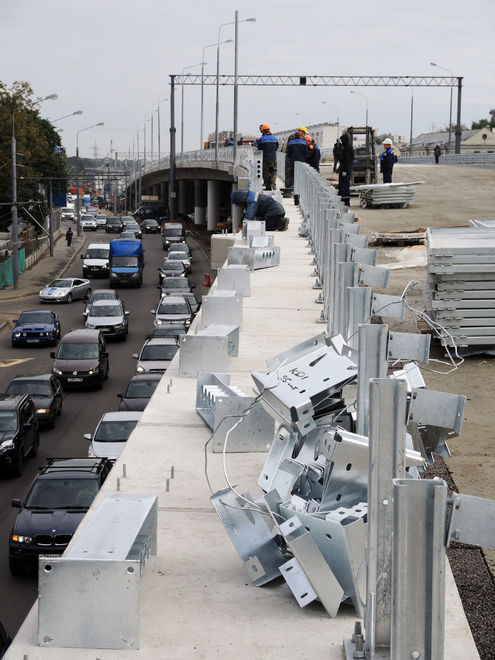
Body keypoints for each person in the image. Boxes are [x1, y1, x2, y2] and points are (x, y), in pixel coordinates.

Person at [256, 124, 279, 190]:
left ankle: (268, 186)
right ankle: (273, 184)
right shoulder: (275, 139)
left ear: (263, 131)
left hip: (264, 158)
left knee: (265, 173)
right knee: (273, 171)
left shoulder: (262, 139)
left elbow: (259, 149)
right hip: (273, 158)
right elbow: (276, 148)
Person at [338, 133, 354, 207]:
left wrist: (345, 170)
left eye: (342, 140)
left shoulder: (347, 148)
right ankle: (342, 199)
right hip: (344, 168)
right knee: (342, 185)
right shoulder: (346, 147)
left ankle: (346, 202)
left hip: (346, 170)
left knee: (345, 185)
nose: (341, 142)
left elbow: (347, 160)